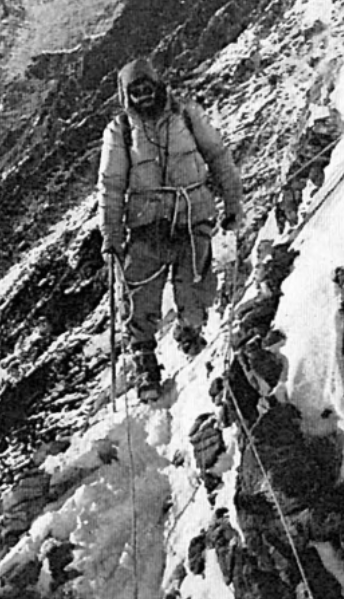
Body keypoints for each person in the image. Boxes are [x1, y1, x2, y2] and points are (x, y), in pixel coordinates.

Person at [97, 58, 243, 401]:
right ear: (126, 96)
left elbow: (218, 156)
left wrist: (233, 203)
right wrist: (112, 236)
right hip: (147, 224)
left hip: (194, 217)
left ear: (158, 86)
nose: (143, 96)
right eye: (135, 92)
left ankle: (190, 330)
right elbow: (111, 185)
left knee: (196, 285)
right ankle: (145, 362)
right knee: (140, 295)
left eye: (147, 88)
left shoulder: (187, 116)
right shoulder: (120, 130)